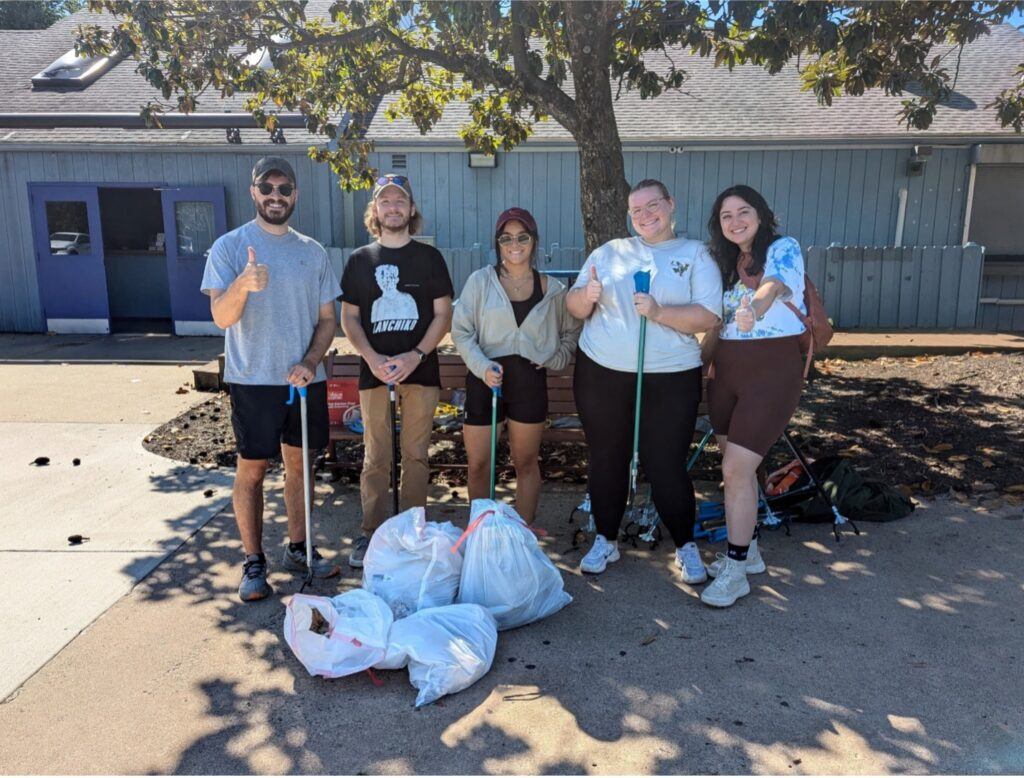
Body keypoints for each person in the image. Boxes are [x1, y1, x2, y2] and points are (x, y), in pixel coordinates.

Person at [565, 179, 722, 581]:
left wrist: (659, 312)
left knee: (666, 462)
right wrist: (588, 296)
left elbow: (708, 316)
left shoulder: (695, 254)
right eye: (636, 210)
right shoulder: (610, 252)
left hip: (670, 376)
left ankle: (685, 546)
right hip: (603, 371)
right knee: (606, 457)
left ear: (670, 205)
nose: (645, 215)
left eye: (652, 206)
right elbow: (574, 305)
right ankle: (605, 539)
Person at [201, 156, 342, 602]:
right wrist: (241, 285)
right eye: (268, 188)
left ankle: (298, 548)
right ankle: (253, 561)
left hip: (304, 381)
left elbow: (327, 320)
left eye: (285, 189)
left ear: (295, 195)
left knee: (301, 467)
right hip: (252, 380)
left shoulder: (312, 251)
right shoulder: (229, 247)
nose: (276, 196)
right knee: (252, 470)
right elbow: (222, 316)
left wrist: (311, 360)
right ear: (254, 192)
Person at [700, 184, 808, 607]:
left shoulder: (783, 248)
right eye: (726, 216)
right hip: (726, 371)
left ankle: (735, 569)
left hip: (771, 371)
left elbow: (775, 286)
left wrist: (754, 309)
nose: (735, 221)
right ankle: (750, 551)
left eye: (743, 212)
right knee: (738, 472)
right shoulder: (723, 261)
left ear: (760, 215)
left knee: (735, 470)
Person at [340, 174, 454, 567]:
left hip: (420, 373)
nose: (393, 208)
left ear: (411, 208)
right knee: (376, 457)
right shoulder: (360, 260)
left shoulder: (429, 259)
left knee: (416, 455)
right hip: (375, 374)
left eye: (400, 201)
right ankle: (371, 534)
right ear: (375, 210)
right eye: (385, 201)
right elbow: (350, 319)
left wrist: (416, 355)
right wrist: (371, 357)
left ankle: (411, 531)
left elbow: (443, 314)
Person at [452, 207, 581, 522]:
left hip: (528, 384)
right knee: (480, 464)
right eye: (506, 238)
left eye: (522, 236)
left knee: (525, 462)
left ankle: (521, 536)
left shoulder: (552, 290)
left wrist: (553, 357)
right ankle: (481, 532)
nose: (515, 244)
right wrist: (482, 366)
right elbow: (462, 332)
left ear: (534, 241)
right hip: (486, 381)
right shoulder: (480, 282)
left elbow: (571, 334)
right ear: (497, 243)